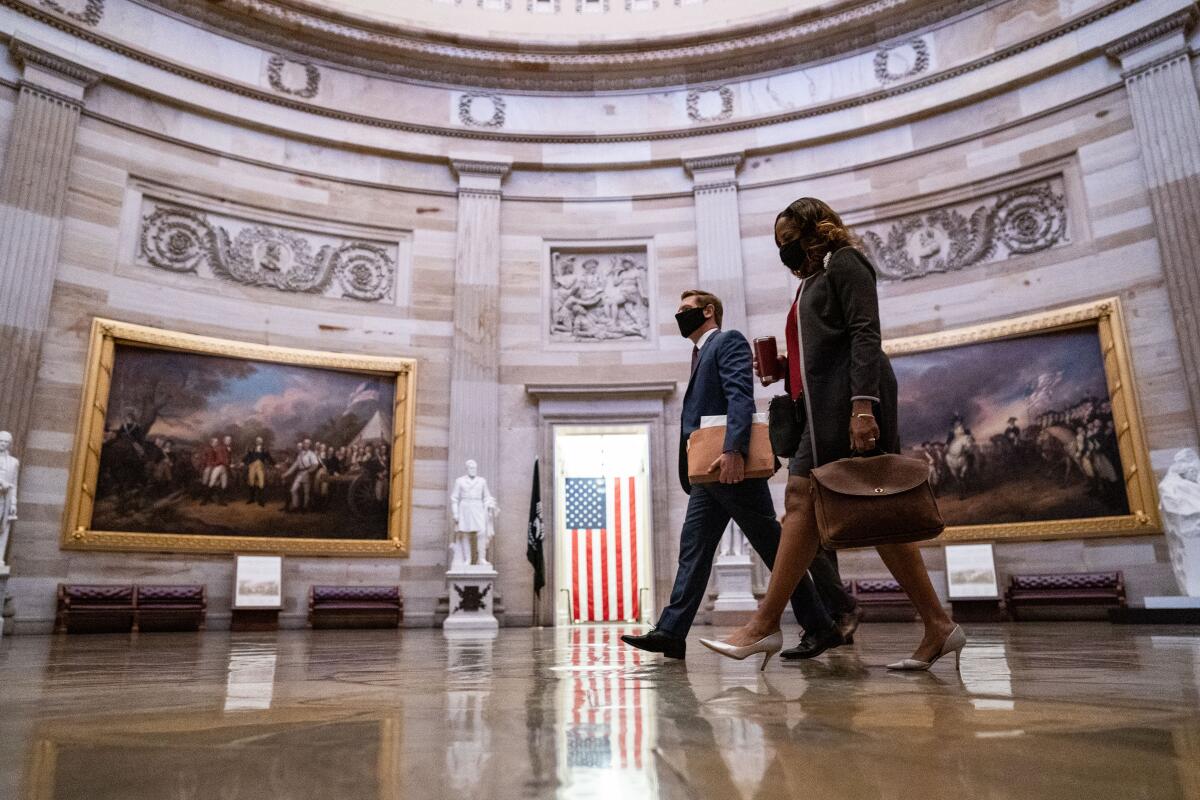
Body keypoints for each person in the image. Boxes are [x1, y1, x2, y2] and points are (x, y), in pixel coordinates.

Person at [700, 197, 963, 671]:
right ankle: (939, 626)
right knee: (880, 512)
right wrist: (782, 368)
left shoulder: (847, 262)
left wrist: (864, 406)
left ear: (816, 229)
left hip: (849, 403)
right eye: (779, 245)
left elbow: (866, 333)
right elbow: (823, 348)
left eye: (789, 241)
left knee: (805, 498)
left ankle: (763, 625)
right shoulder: (809, 283)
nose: (785, 251)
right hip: (817, 410)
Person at [620, 289, 846, 662]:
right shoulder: (698, 353)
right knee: (694, 550)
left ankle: (821, 624)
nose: (679, 316)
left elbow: (740, 395)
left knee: (775, 548)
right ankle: (672, 632)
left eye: (685, 310)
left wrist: (733, 450)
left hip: (730, 466)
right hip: (707, 476)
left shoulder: (728, 341)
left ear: (709, 311)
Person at [282, 439, 320, 511]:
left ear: (309, 445)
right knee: (293, 490)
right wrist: (285, 474)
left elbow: (315, 464)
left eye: (307, 443)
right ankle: (295, 506)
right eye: (305, 443)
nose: (306, 445)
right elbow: (294, 466)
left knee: (306, 492)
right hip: (300, 474)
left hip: (307, 474)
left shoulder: (311, 454)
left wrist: (309, 471)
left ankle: (305, 507)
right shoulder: (300, 454)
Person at [242, 436, 275, 506]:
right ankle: (252, 499)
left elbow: (269, 458)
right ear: (255, 441)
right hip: (252, 467)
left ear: (262, 442)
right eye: (257, 440)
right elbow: (247, 457)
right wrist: (243, 462)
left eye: (260, 440)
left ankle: (261, 500)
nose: (258, 441)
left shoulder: (264, 450)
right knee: (251, 482)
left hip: (260, 467)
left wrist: (275, 464)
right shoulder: (252, 449)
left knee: (261, 483)